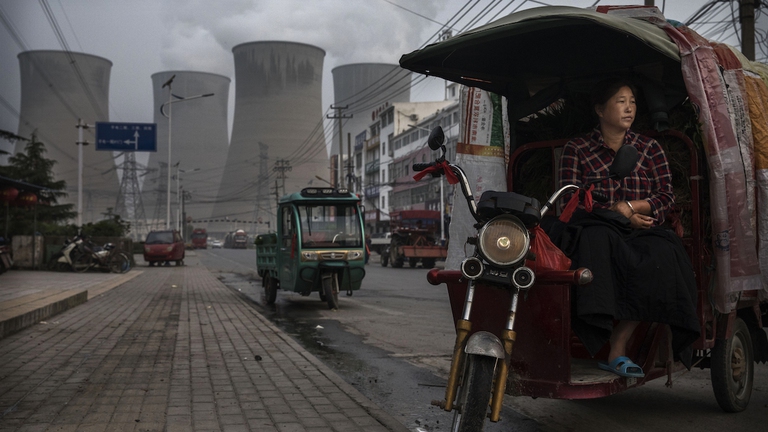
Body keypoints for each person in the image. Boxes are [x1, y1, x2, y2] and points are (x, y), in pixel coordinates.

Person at [556, 77, 699, 378]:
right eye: (621, 101)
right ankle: (593, 334)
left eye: (632, 101)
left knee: (664, 253)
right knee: (595, 241)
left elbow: (665, 197)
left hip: (641, 230)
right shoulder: (577, 149)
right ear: (599, 109)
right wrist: (617, 215)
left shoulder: (649, 148)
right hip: (599, 229)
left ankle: (618, 345)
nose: (629, 108)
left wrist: (631, 208)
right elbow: (569, 200)